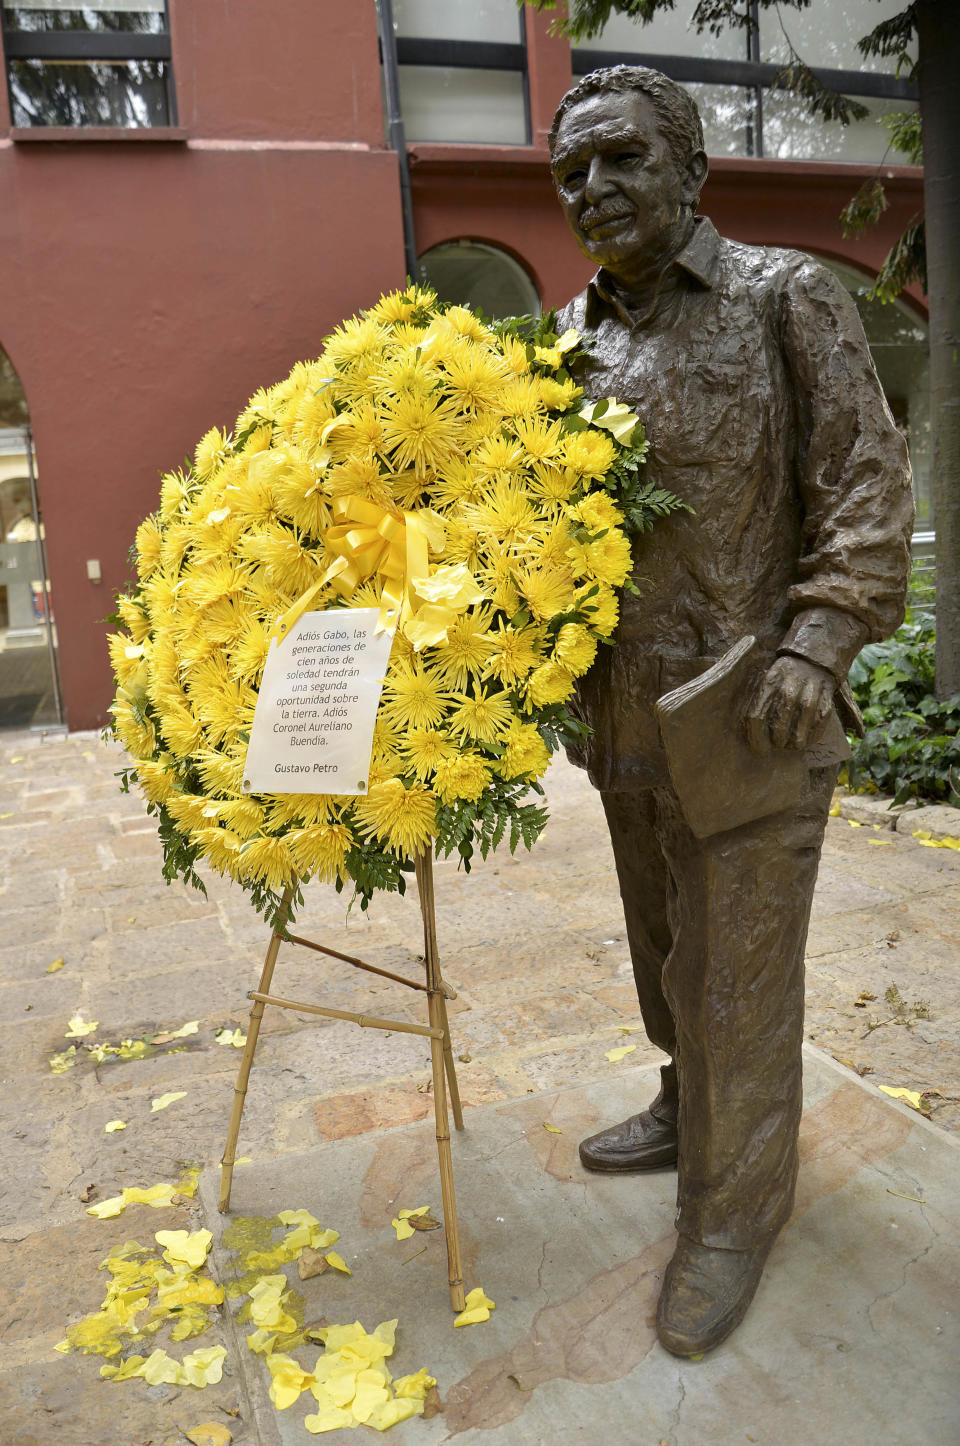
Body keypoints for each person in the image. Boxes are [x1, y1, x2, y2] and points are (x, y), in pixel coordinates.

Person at [549, 65, 914, 1356]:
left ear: (691, 167)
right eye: (573, 174)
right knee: (667, 953)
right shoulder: (566, 339)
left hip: (752, 715)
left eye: (622, 161)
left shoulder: (783, 299)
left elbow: (868, 482)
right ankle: (681, 1097)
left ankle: (734, 1206)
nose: (594, 191)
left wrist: (822, 638)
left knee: (739, 983)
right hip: (623, 722)